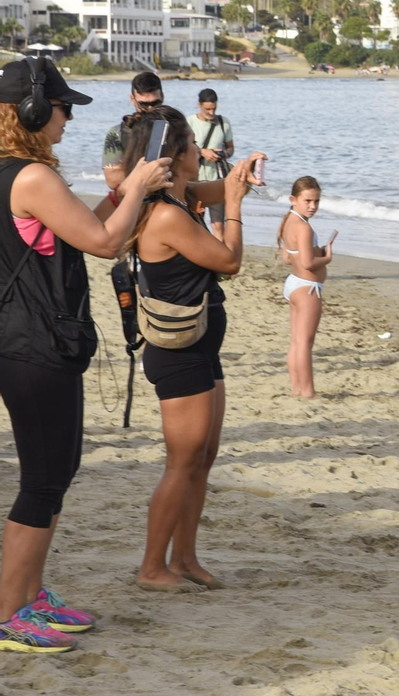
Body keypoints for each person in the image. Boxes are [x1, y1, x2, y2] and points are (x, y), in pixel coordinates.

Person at [0, 58, 174, 653]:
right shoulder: (31, 177)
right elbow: (104, 244)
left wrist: (123, 192)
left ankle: (30, 594)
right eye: (62, 108)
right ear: (29, 112)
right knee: (43, 479)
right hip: (33, 343)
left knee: (58, 471)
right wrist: (140, 188)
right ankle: (9, 611)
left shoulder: (19, 173)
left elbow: (83, 229)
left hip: (30, 339)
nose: (68, 118)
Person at [120, 108, 263, 593]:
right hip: (178, 352)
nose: (198, 151)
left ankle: (184, 558)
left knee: (202, 457)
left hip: (201, 345)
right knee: (181, 463)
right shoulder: (164, 213)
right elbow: (229, 261)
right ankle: (151, 567)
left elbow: (217, 189)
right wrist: (235, 209)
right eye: (190, 144)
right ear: (177, 152)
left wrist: (239, 175)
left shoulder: (179, 195)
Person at [278, 177, 334, 398]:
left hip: (294, 284)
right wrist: (326, 257)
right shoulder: (303, 228)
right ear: (293, 199)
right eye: (308, 201)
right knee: (304, 343)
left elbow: (287, 258)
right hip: (307, 288)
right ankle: (308, 391)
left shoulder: (288, 221)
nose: (313, 206)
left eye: (316, 201)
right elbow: (308, 263)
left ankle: (297, 388)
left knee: (296, 341)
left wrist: (315, 252)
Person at [100, 71, 164, 190]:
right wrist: (149, 176)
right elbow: (113, 179)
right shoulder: (118, 133)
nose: (150, 109)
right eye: (143, 104)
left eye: (155, 103)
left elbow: (190, 172)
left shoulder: (178, 127)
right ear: (132, 99)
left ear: (162, 97)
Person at [185, 89, 234, 239]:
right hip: (194, 181)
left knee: (218, 225)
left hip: (217, 180)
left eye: (214, 108)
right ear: (199, 105)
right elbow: (182, 149)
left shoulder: (223, 122)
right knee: (195, 221)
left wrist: (223, 154)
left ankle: (218, 252)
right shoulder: (189, 122)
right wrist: (202, 152)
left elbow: (231, 148)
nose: (211, 112)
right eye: (207, 109)